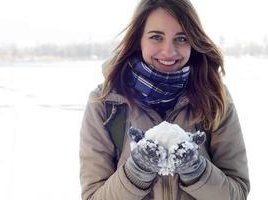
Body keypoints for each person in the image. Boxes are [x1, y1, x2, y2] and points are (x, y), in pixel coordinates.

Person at [79, 0, 250, 199]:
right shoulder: (106, 104)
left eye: (181, 38)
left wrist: (196, 170)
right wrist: (136, 172)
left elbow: (237, 194)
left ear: (193, 42)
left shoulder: (215, 98)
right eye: (156, 37)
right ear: (138, 40)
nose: (169, 51)